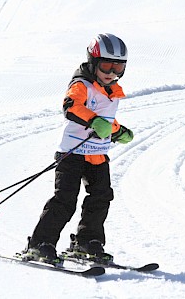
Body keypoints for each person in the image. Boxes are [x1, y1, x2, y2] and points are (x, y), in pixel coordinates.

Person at [22, 33, 134, 262]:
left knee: (101, 198)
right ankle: (40, 244)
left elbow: (105, 120)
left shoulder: (112, 91)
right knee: (65, 200)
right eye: (106, 65)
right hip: (72, 153)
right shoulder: (81, 84)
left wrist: (117, 131)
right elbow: (71, 107)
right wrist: (94, 122)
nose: (112, 73)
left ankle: (87, 242)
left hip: (97, 155)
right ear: (93, 62)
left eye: (118, 67)